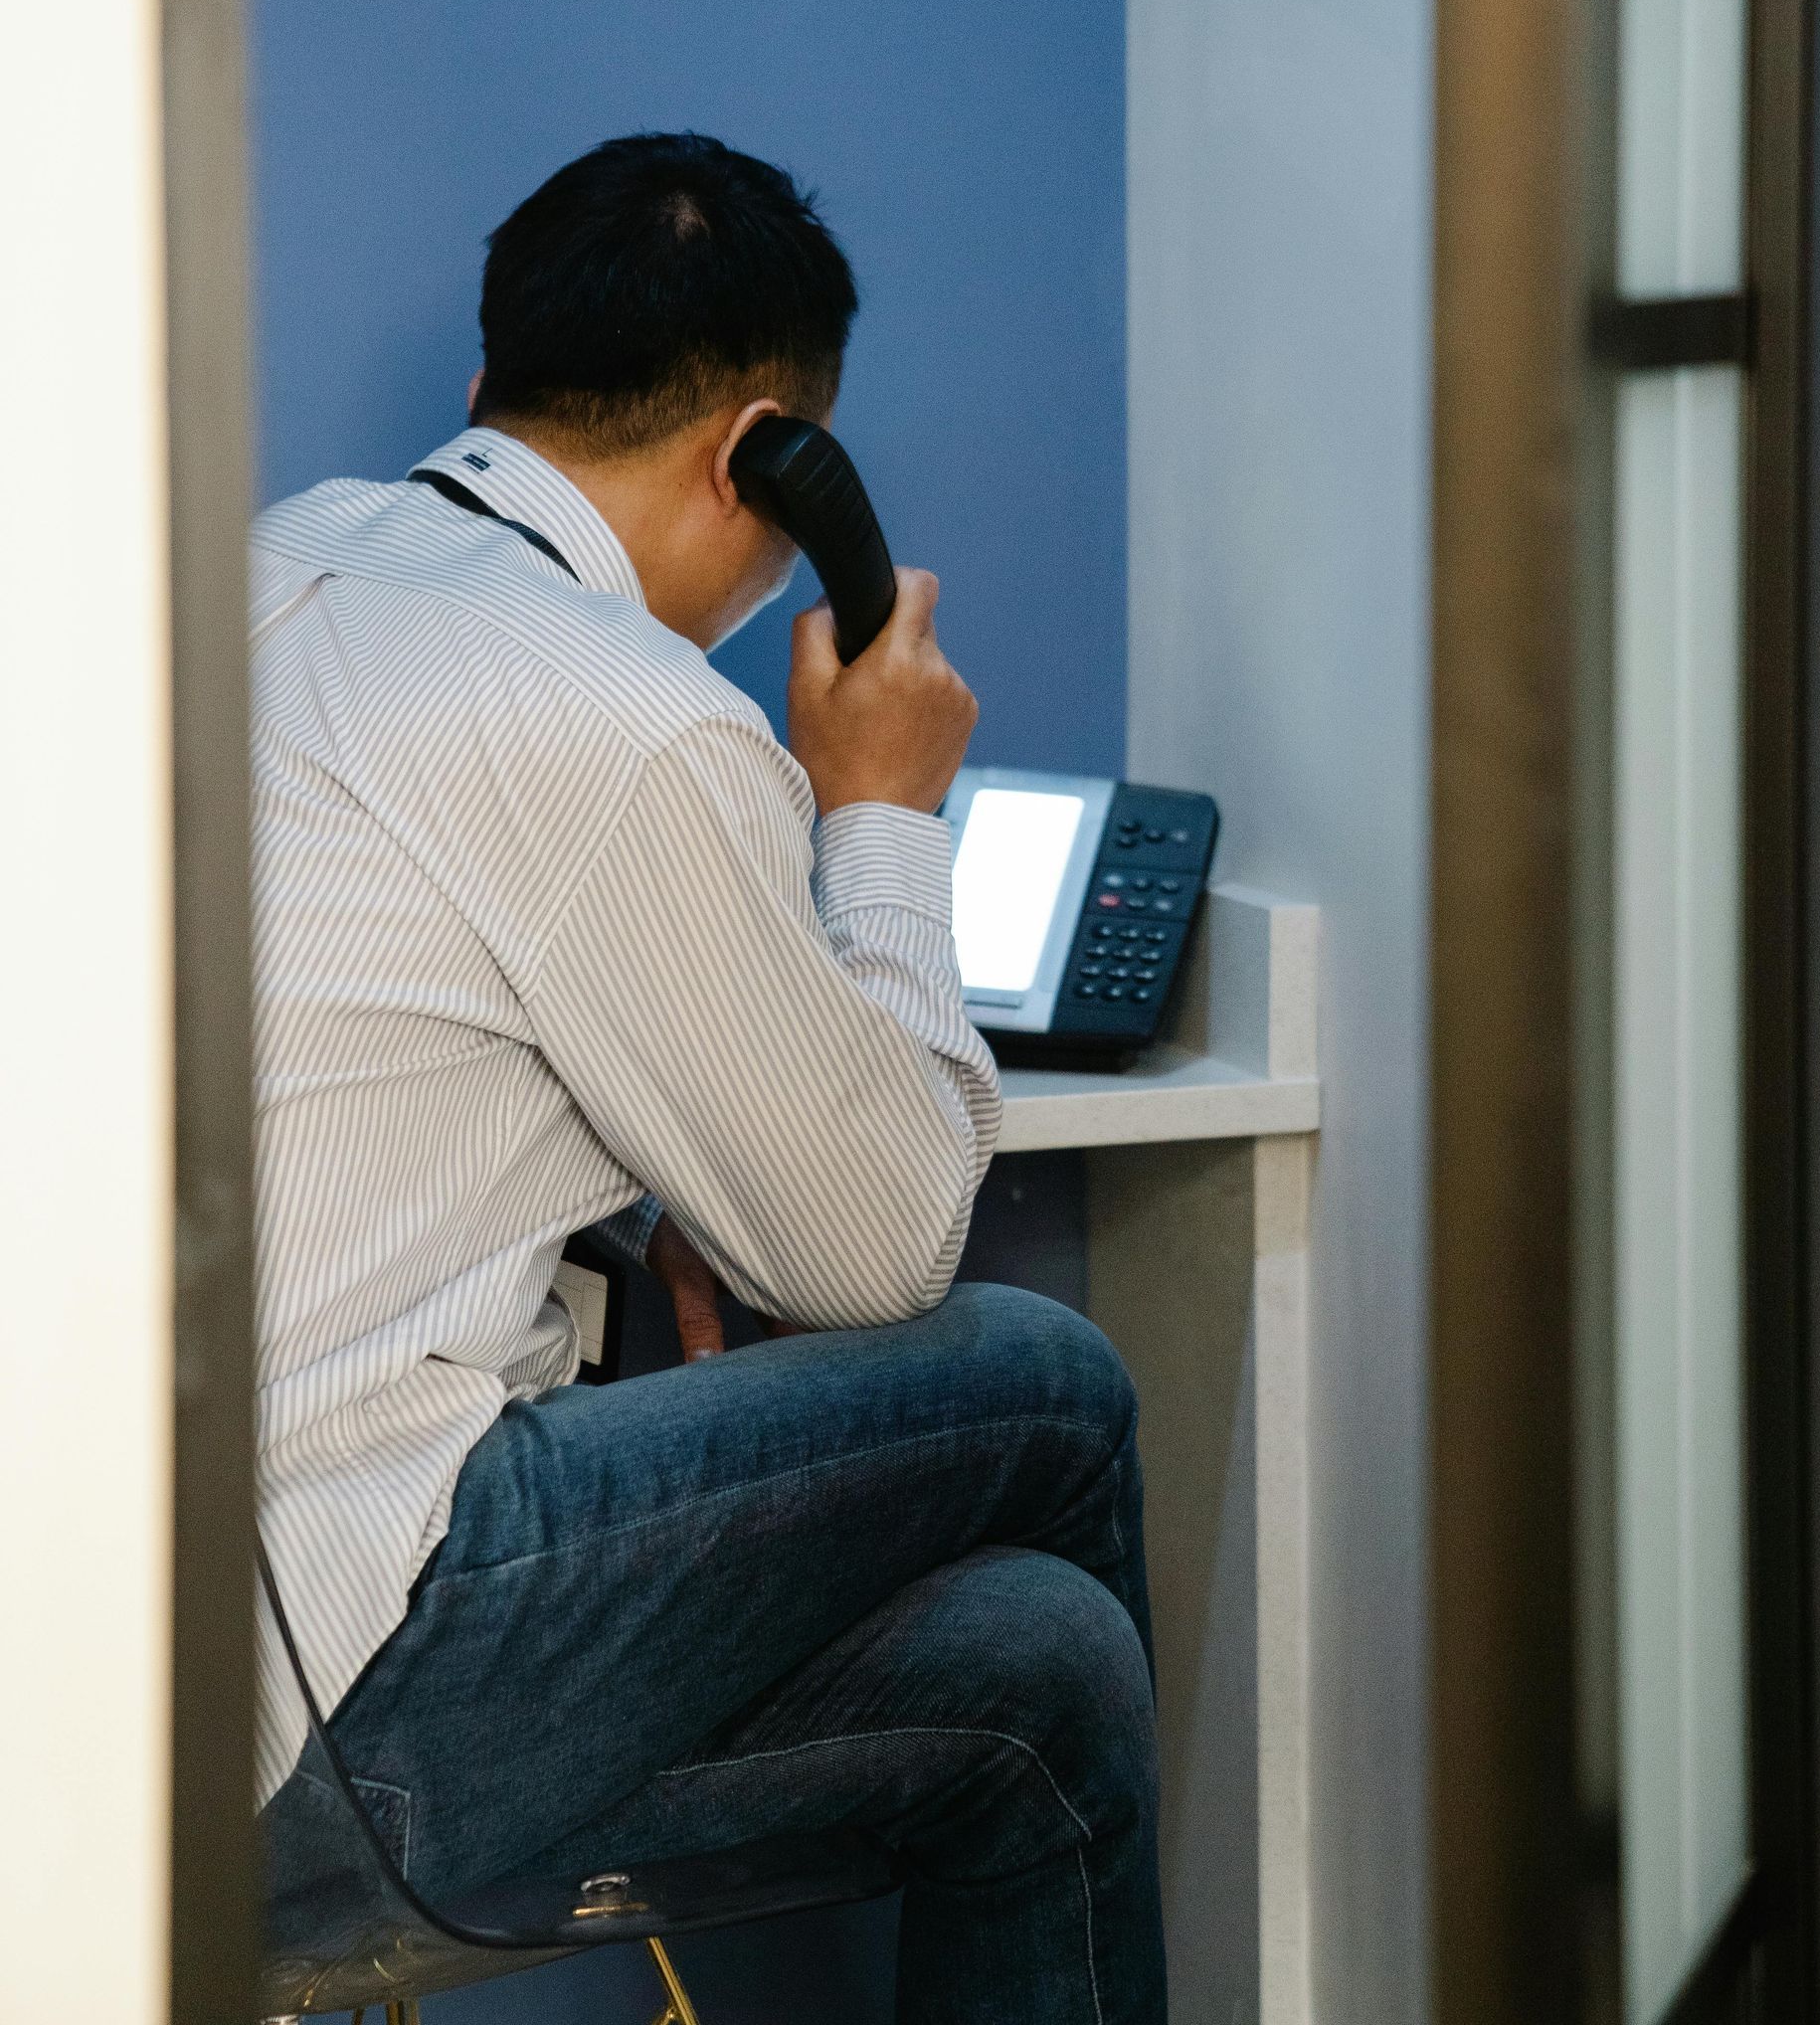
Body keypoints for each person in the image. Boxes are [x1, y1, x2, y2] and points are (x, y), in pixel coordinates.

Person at [253, 133, 1166, 2025]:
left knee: (1041, 1670)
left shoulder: (267, 569)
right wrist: (879, 814)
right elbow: (883, 1249)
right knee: (1046, 1378)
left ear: (496, 378)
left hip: (120, 1662)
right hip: (326, 1693)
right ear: (771, 457)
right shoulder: (630, 718)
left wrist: (634, 1190)